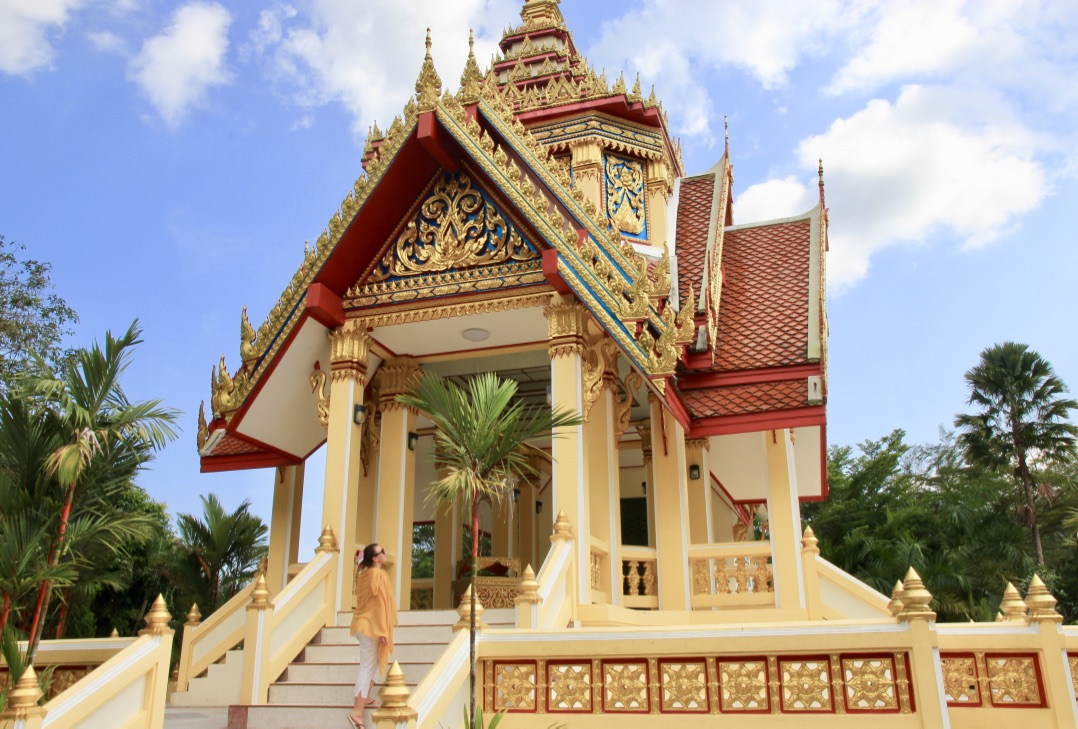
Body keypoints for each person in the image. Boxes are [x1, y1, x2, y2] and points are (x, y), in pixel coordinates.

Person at [348, 543, 397, 729]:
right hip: (372, 626)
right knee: (367, 667)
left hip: (363, 624)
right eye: (381, 552)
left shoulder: (364, 574)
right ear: (375, 559)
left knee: (372, 664)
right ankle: (357, 712)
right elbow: (379, 606)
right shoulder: (378, 575)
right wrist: (383, 630)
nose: (385, 554)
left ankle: (365, 697)